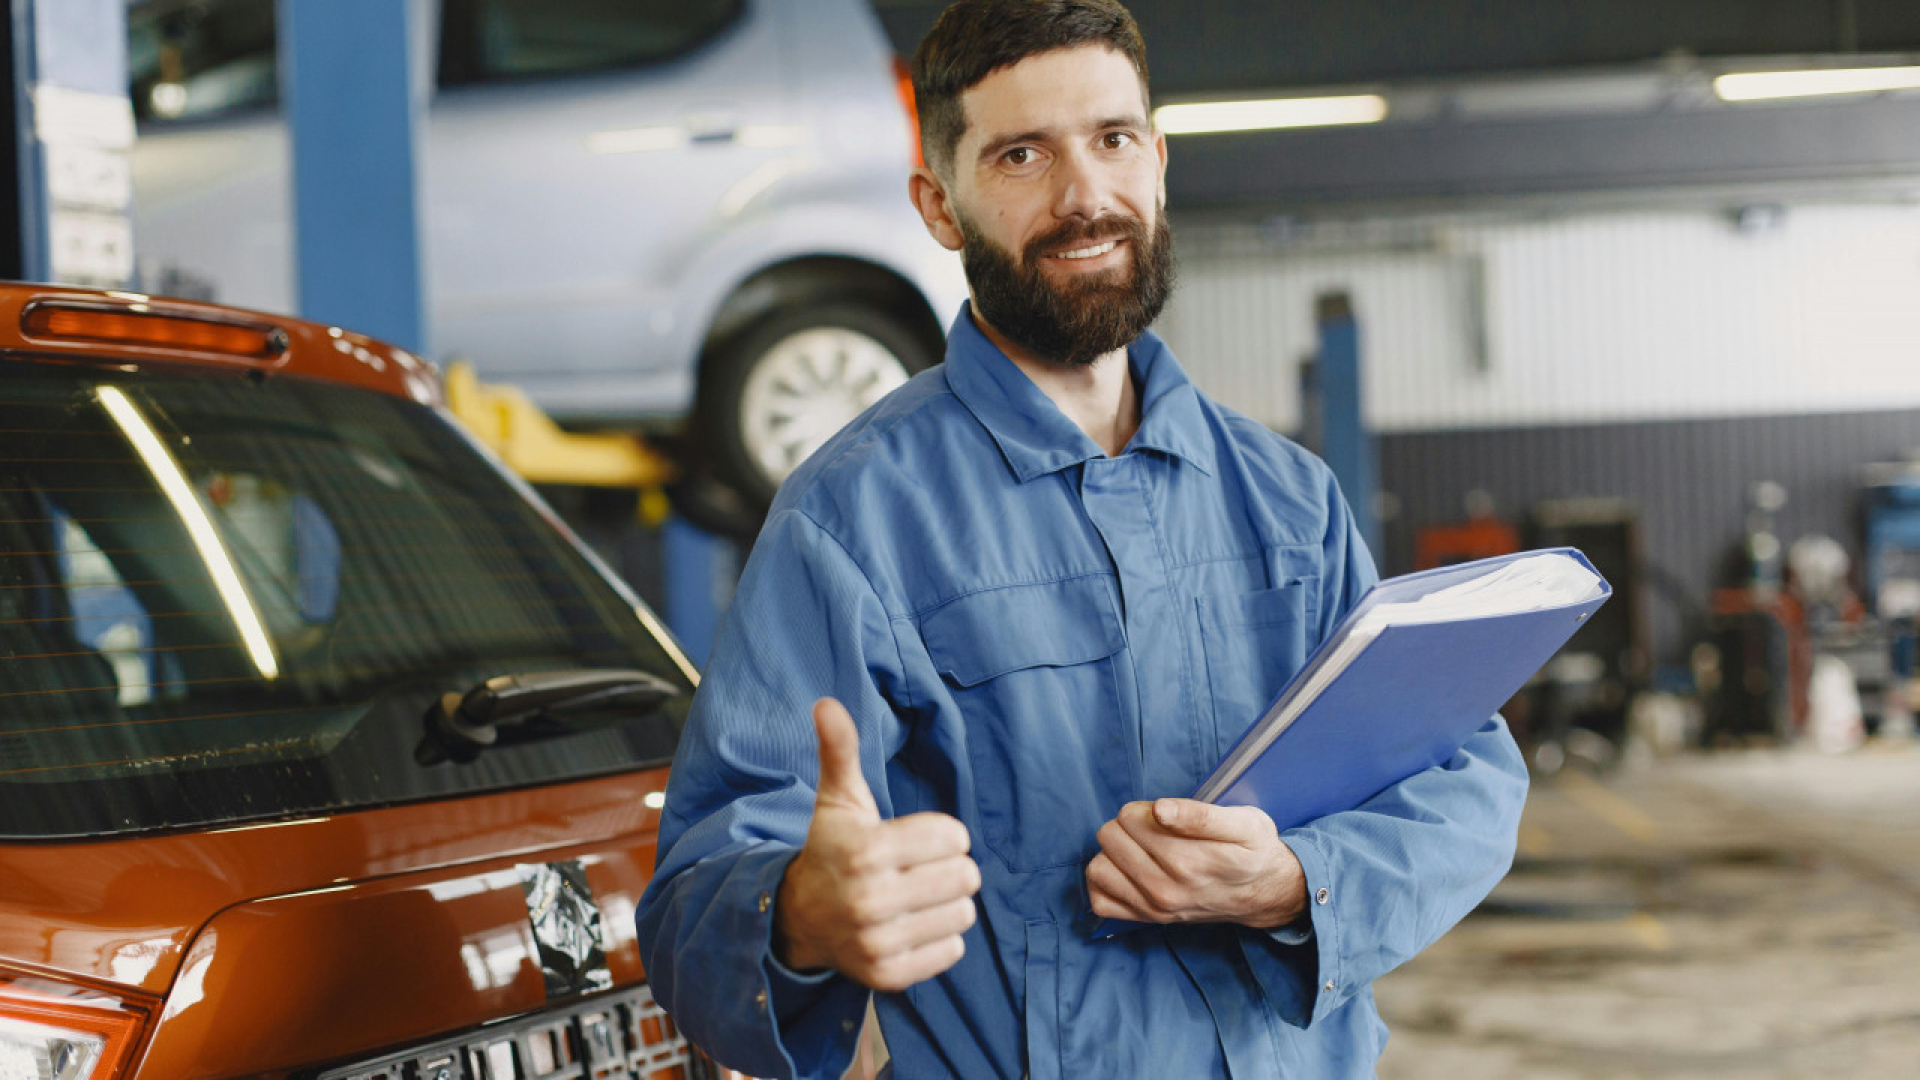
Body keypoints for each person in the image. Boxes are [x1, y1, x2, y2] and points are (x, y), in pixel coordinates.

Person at [635, 1, 1529, 1076]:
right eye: (1021, 155)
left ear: (1157, 161)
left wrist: (1300, 880)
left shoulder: (1288, 497)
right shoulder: (854, 522)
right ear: (940, 205)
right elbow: (693, 906)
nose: (1085, 197)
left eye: (1112, 141)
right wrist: (797, 915)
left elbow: (1468, 776)